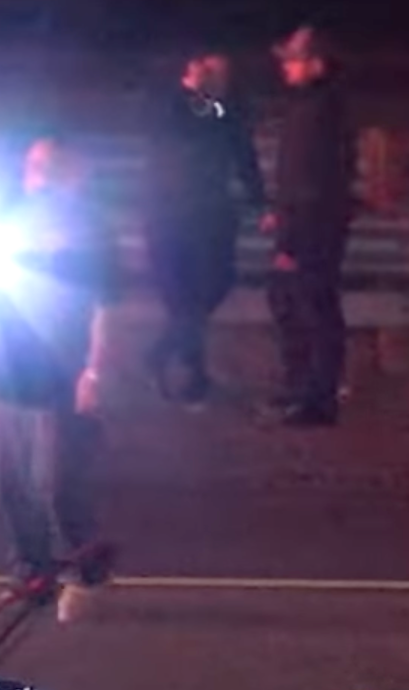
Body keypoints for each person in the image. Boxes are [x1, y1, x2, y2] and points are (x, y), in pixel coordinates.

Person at [0, 134, 124, 619]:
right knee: (11, 484)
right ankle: (31, 577)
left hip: (63, 373)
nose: (34, 175)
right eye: (31, 165)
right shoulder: (11, 225)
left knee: (59, 485)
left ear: (71, 173)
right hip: (11, 372)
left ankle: (88, 577)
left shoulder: (93, 230)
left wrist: (95, 370)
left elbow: (106, 307)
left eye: (45, 166)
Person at [140, 47, 266, 407]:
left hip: (209, 215)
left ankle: (163, 352)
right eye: (211, 73)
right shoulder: (170, 104)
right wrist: (191, 90)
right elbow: (170, 120)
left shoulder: (222, 112)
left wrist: (259, 201)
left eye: (221, 75)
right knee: (183, 297)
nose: (218, 82)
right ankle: (194, 376)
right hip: (168, 214)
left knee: (210, 287)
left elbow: (243, 153)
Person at [262, 24, 357, 428]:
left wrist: (289, 235)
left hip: (311, 227)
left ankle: (314, 397)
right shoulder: (317, 106)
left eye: (293, 60)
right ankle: (305, 389)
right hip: (314, 222)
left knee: (310, 306)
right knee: (296, 302)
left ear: (315, 64)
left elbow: (308, 180)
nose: (285, 67)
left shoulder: (316, 110)